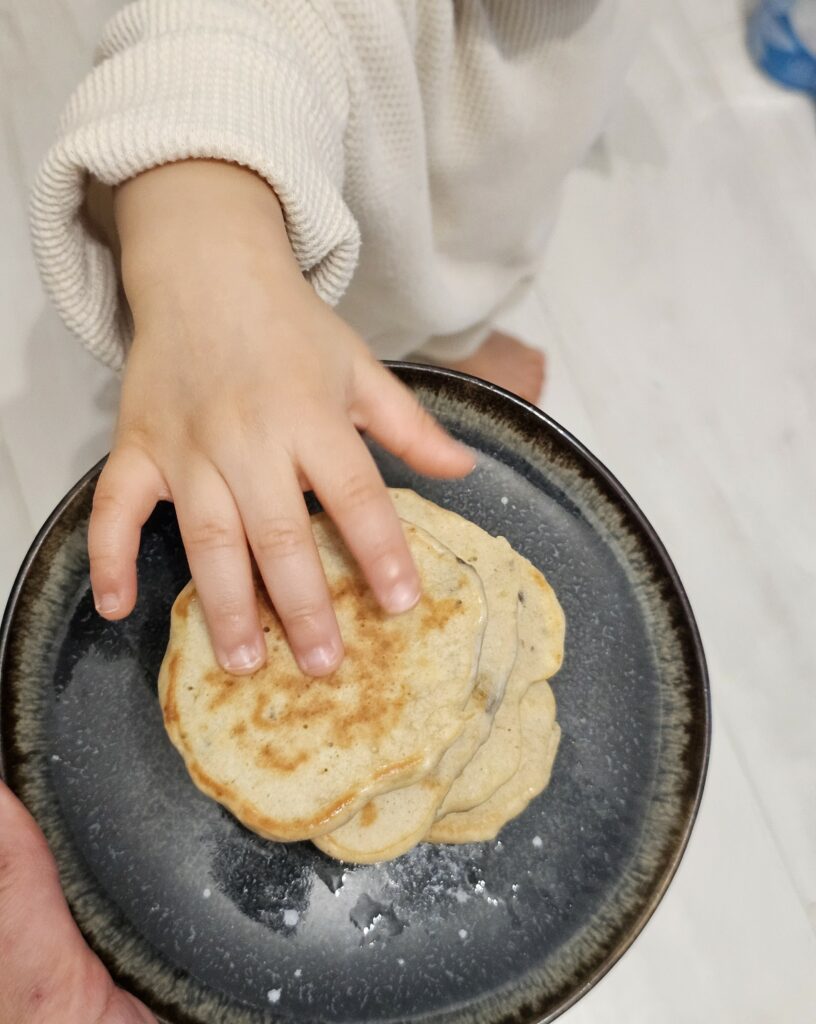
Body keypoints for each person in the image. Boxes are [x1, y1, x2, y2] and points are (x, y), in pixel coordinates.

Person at [4, 2, 642, 1019]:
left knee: (462, 295)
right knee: (265, 431)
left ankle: (447, 352)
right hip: (271, 275)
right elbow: (224, 39)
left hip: (456, 238)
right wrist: (202, 246)